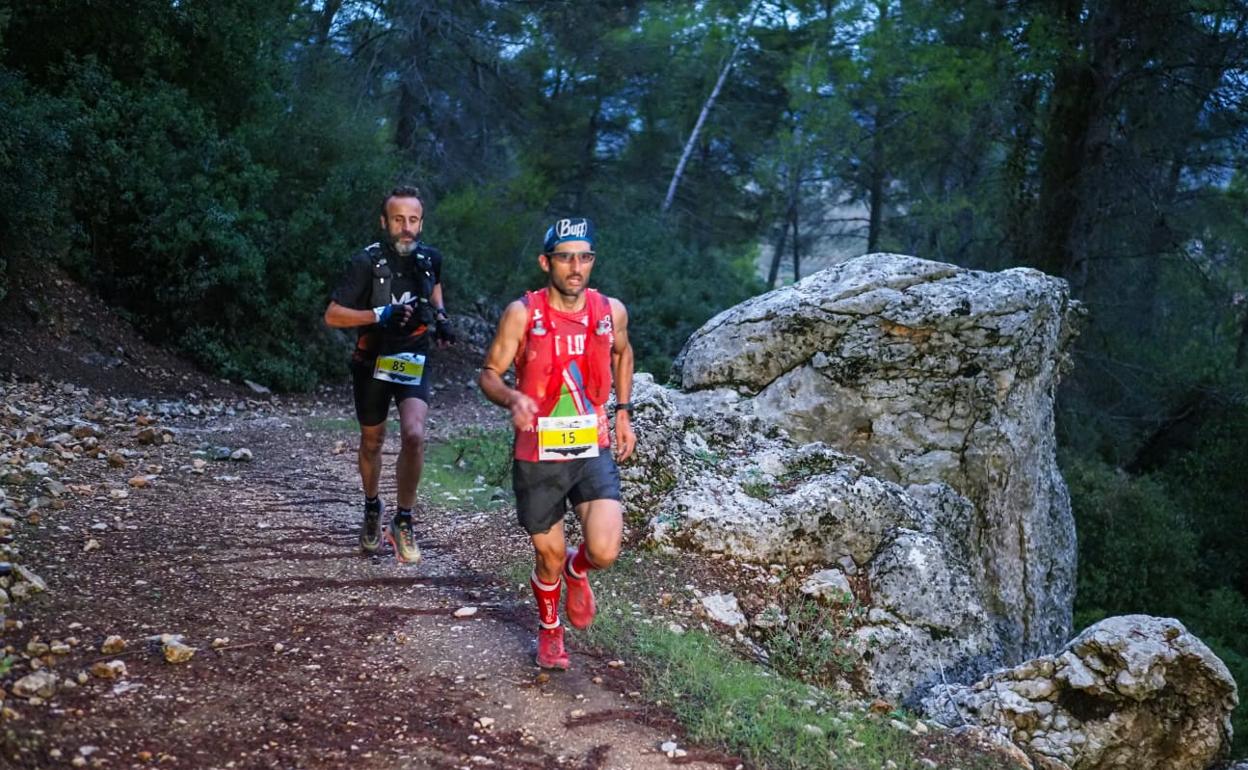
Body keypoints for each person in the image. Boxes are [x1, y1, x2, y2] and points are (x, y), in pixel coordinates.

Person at [479, 217, 636, 670]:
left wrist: (622, 412)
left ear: (592, 263)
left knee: (604, 551)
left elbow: (623, 351)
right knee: (547, 556)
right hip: (537, 454)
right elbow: (488, 373)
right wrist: (511, 397)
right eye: (565, 257)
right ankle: (550, 631)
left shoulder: (610, 312)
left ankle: (578, 569)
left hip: (591, 446)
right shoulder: (523, 313)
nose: (575, 266)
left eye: (584, 257)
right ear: (546, 262)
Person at [324, 185, 456, 564]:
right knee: (372, 442)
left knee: (414, 434)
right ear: (384, 222)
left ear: (421, 223)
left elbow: (436, 290)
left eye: (413, 220)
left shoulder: (430, 258)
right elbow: (332, 315)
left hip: (413, 357)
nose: (406, 227)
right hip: (372, 360)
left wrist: (442, 318)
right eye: (398, 219)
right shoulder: (365, 262)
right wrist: (377, 315)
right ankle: (371, 507)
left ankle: (404, 518)